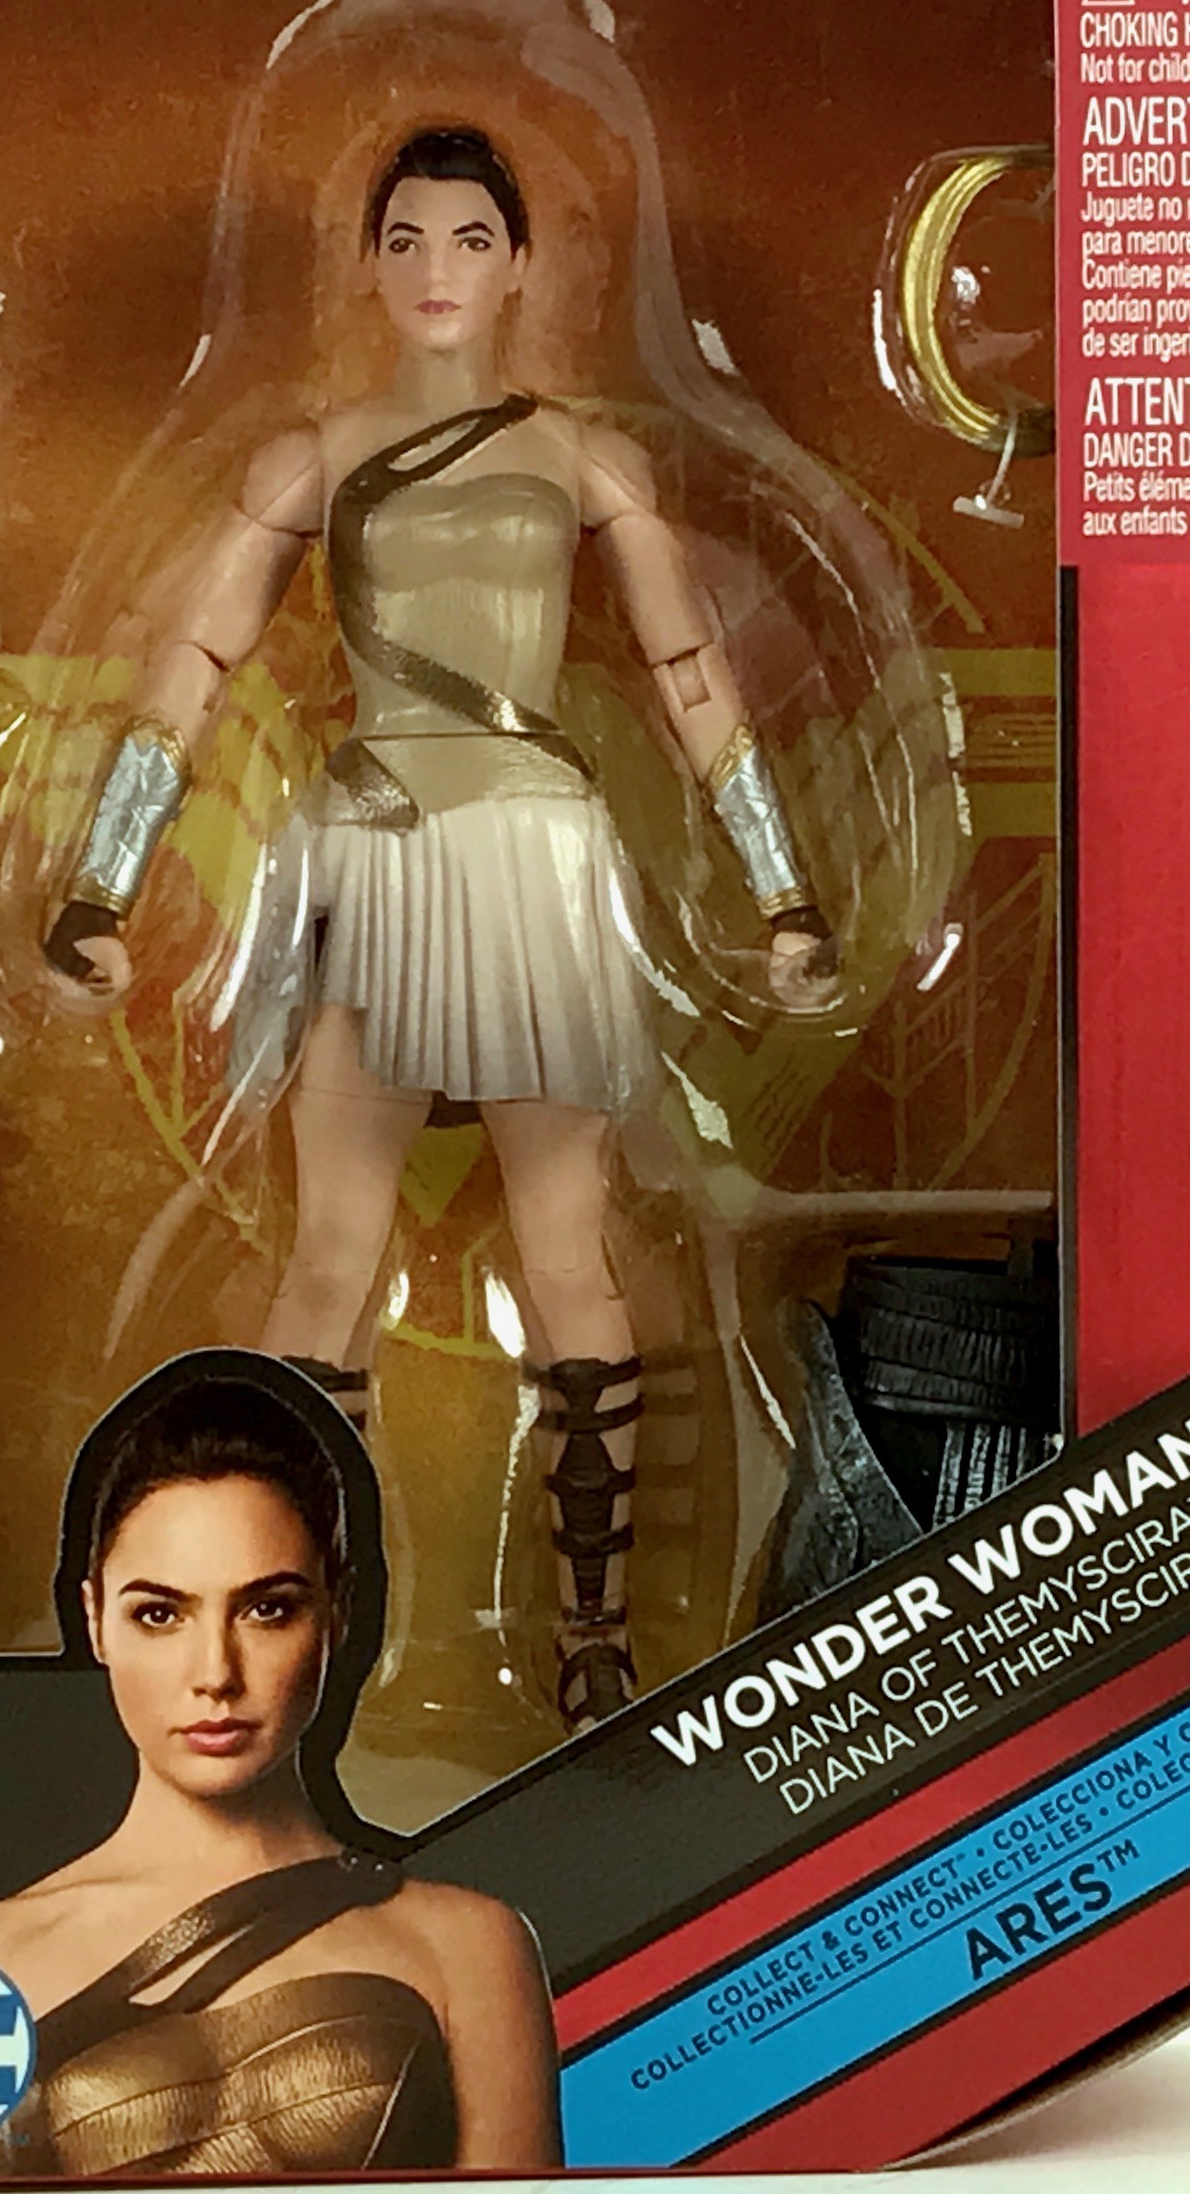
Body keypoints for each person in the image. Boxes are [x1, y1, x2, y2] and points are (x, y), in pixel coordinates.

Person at [42, 126, 837, 1731]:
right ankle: (297, 1608)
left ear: (519, 261)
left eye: (468, 239)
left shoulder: (581, 458)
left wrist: (784, 891)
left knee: (567, 1247)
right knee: (329, 1254)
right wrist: (98, 883)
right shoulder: (315, 458)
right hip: (376, 851)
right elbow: (191, 661)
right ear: (366, 257)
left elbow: (691, 676)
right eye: (403, 238)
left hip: (534, 855)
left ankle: (593, 1633)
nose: (433, 271)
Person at [0, 1365, 561, 2180]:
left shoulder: (470, 1947)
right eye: (159, 1614)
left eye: (267, 1609)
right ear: (95, 1620)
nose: (215, 1673)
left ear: (336, 1612)